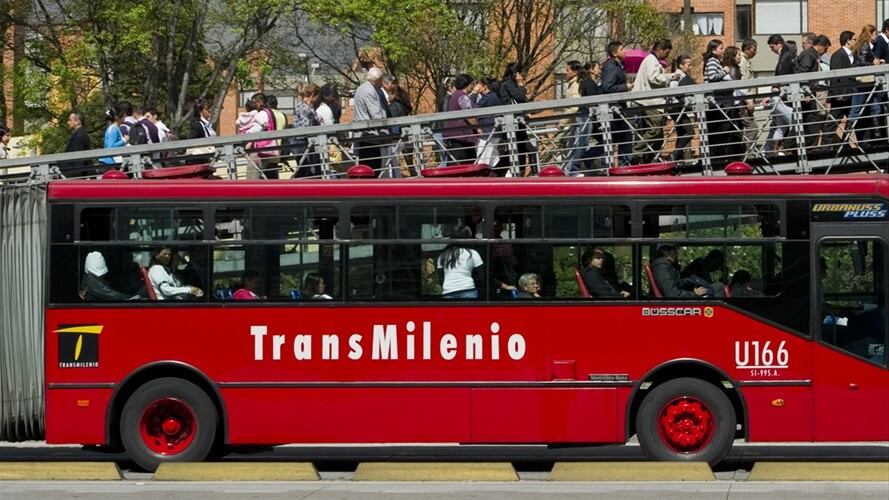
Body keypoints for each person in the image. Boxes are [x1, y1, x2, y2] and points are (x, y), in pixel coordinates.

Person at [630, 39, 678, 164]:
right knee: (655, 130)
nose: (667, 56)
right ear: (661, 49)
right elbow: (654, 78)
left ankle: (647, 161)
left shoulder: (651, 60)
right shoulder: (651, 60)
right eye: (667, 52)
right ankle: (636, 154)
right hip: (649, 101)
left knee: (658, 136)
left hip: (651, 101)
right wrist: (671, 76)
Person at [498, 62, 537, 174]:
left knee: (521, 150)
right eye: (521, 73)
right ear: (516, 73)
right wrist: (521, 85)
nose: (523, 75)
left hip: (516, 122)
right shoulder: (508, 84)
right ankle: (532, 174)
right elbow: (519, 97)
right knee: (526, 149)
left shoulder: (506, 83)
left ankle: (520, 174)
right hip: (513, 123)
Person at [794, 34, 831, 149]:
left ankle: (806, 147)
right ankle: (809, 148)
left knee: (808, 121)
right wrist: (805, 92)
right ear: (820, 45)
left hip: (809, 92)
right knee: (812, 121)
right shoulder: (809, 55)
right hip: (807, 93)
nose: (825, 51)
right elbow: (803, 73)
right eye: (825, 48)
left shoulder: (811, 54)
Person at [601, 41, 633, 166]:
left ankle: (622, 163)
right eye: (622, 49)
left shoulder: (618, 65)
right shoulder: (611, 66)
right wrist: (625, 86)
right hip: (614, 108)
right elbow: (607, 87)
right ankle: (625, 164)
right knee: (625, 135)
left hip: (618, 107)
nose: (624, 51)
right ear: (614, 53)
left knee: (619, 137)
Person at [825, 31, 859, 148]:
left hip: (851, 96)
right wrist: (834, 95)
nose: (856, 41)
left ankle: (844, 145)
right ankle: (826, 147)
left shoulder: (854, 55)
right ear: (848, 41)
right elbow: (834, 77)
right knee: (832, 123)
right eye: (854, 39)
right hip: (840, 97)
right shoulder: (838, 55)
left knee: (851, 122)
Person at [352, 67, 388, 172]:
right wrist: (385, 133)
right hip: (369, 136)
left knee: (368, 168)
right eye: (381, 80)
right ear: (377, 80)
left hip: (364, 135)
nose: (382, 84)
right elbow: (376, 115)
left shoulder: (361, 88)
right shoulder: (369, 91)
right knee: (372, 168)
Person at [437, 223, 483, 299]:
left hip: (448, 291)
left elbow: (441, 279)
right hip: (468, 290)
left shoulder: (442, 256)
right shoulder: (473, 253)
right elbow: (481, 276)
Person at [443, 73, 480, 164]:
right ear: (468, 84)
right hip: (461, 136)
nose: (473, 87)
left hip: (454, 135)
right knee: (465, 162)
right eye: (472, 84)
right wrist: (477, 128)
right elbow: (468, 115)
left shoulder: (455, 95)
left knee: (456, 162)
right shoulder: (463, 97)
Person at [289, 84, 322, 178]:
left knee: (307, 168)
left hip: (301, 140)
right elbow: (305, 125)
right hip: (301, 141)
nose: (318, 99)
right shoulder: (305, 107)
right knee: (304, 168)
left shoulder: (304, 106)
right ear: (313, 95)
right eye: (317, 96)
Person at [669, 55, 697, 162]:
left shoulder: (683, 76)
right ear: (681, 65)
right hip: (676, 109)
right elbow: (673, 91)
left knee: (681, 133)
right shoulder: (678, 76)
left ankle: (677, 159)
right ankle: (675, 154)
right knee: (689, 131)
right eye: (688, 65)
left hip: (679, 108)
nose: (690, 68)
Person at [474, 77, 503, 169]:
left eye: (479, 84)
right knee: (493, 159)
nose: (477, 86)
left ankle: (481, 180)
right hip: (492, 132)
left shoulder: (488, 97)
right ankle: (507, 177)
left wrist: (474, 94)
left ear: (484, 86)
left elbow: (473, 108)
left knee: (483, 159)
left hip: (488, 133)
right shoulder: (493, 96)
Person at [738, 39, 758, 145]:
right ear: (747, 49)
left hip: (745, 100)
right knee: (753, 128)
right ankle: (745, 155)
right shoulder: (742, 61)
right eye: (754, 50)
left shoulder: (746, 60)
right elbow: (744, 83)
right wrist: (748, 101)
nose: (755, 52)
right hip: (744, 101)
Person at [63, 111, 93, 178]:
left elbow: (78, 160)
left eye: (70, 120)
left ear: (77, 122)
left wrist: (75, 178)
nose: (68, 122)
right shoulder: (80, 134)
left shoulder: (79, 136)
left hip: (78, 176)